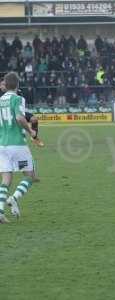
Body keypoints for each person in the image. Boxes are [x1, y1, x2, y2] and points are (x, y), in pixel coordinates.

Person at [0, 72, 38, 223]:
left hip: (2, 144)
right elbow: (19, 118)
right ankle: (14, 198)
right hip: (17, 144)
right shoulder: (18, 99)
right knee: (30, 176)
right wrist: (31, 131)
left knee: (6, 179)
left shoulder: (0, 100)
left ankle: (0, 211)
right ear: (17, 85)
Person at [0, 80, 44, 147]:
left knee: (34, 119)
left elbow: (21, 105)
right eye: (1, 85)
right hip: (4, 114)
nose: (1, 87)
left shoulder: (17, 92)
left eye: (3, 84)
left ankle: (34, 138)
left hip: (16, 112)